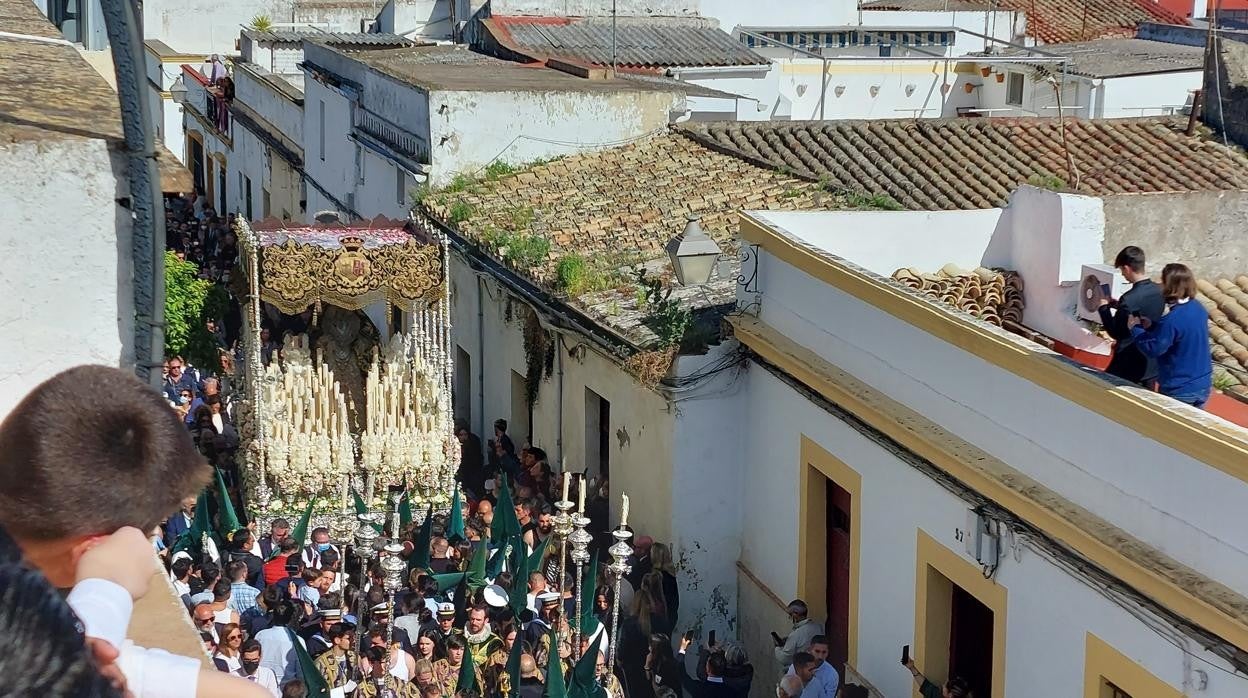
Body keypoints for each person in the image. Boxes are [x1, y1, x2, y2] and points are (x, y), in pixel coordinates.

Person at [1129, 263, 1213, 408]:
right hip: (1202, 384)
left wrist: (1135, 328)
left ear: (1170, 287)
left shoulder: (1173, 320)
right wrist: (1154, 326)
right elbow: (1181, 336)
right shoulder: (1198, 307)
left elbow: (1153, 348)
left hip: (1179, 388)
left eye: (1163, 282)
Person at [1098, 246, 1165, 385]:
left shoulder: (1129, 299)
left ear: (1127, 268)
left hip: (1127, 363)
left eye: (1122, 270)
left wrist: (1103, 307)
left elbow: (1116, 332)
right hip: (1150, 364)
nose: (1123, 274)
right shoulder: (1158, 291)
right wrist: (1118, 306)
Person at [313, 622, 360, 693]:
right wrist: (343, 690)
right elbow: (319, 691)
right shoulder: (321, 662)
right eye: (348, 638)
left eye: (353, 637)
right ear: (337, 640)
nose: (353, 641)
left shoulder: (354, 657)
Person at [773, 600, 822, 668]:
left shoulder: (796, 634)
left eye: (790, 615)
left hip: (800, 670)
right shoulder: (818, 627)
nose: (789, 618)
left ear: (795, 614)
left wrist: (777, 647)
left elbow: (784, 658)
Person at [903, 656, 970, 698]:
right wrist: (912, 667)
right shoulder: (939, 695)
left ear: (950, 696)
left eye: (945, 686)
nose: (943, 685)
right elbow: (926, 686)